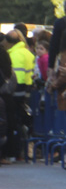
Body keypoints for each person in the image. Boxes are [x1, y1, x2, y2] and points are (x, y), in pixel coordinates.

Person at [4, 30, 35, 162]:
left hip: (16, 91)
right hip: (26, 90)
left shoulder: (14, 54)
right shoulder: (27, 53)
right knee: (22, 122)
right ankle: (21, 152)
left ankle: (15, 152)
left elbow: (13, 77)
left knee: (14, 122)